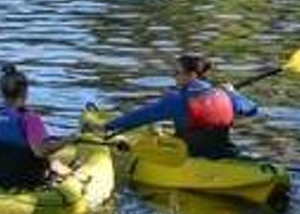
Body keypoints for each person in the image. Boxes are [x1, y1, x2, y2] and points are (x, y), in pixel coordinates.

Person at [100, 53, 259, 159]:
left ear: (192, 75)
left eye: (177, 72)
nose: (173, 76)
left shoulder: (177, 99)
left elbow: (141, 116)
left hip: (190, 155)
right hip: (224, 152)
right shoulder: (225, 94)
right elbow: (252, 110)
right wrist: (233, 93)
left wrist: (109, 126)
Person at [0, 64, 63, 187]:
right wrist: (69, 140)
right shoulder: (30, 118)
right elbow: (40, 152)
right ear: (25, 92)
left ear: (1, 92)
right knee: (50, 156)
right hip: (27, 180)